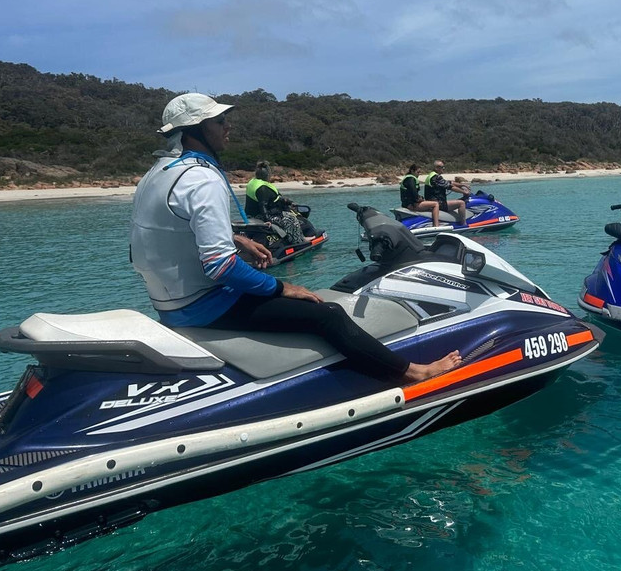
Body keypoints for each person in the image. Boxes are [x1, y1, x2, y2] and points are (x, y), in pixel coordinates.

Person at [130, 93, 461, 384]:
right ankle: (413, 373)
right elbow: (220, 267)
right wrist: (282, 287)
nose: (227, 127)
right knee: (325, 313)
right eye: (219, 121)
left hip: (170, 305)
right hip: (204, 305)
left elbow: (171, 230)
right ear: (195, 131)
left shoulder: (156, 175)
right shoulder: (202, 179)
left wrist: (237, 239)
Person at [245, 160, 314, 244]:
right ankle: (299, 240)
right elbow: (263, 205)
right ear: (267, 175)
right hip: (261, 216)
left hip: (250, 215)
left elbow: (273, 198)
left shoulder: (253, 183)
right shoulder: (262, 188)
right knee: (290, 218)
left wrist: (287, 201)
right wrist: (267, 220)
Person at [423, 160, 467, 226]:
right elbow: (450, 187)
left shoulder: (431, 175)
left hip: (431, 202)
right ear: (436, 168)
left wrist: (462, 185)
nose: (443, 168)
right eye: (441, 167)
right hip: (439, 203)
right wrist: (464, 192)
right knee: (461, 203)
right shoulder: (436, 177)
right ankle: (463, 224)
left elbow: (449, 182)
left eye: (443, 167)